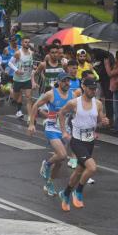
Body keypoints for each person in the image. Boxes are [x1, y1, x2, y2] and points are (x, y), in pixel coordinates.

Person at [56, 78, 109, 210]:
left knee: (79, 171)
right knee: (91, 167)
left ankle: (66, 193)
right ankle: (78, 191)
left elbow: (99, 120)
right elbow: (61, 113)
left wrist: (104, 121)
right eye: (90, 88)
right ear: (83, 87)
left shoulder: (98, 104)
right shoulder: (74, 103)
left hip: (89, 141)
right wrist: (64, 132)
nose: (93, 91)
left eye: (94, 89)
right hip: (77, 141)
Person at [28, 71, 74, 200]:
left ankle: (49, 183)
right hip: (51, 128)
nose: (67, 83)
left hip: (65, 130)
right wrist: (32, 124)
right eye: (64, 81)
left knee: (60, 161)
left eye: (68, 81)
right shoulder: (51, 94)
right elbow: (36, 105)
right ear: (59, 82)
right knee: (63, 154)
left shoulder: (73, 95)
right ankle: (46, 165)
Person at [8, 36, 35, 120]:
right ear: (22, 43)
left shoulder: (31, 53)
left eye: (28, 42)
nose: (27, 44)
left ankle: (30, 117)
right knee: (16, 97)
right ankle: (10, 90)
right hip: (18, 79)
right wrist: (16, 70)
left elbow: (30, 64)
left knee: (28, 98)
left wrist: (33, 67)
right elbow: (10, 63)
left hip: (27, 79)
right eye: (25, 42)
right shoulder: (18, 53)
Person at [104, 50, 118, 135]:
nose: (115, 58)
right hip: (115, 89)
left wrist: (106, 64)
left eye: (116, 56)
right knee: (116, 110)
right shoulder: (117, 65)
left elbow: (110, 74)